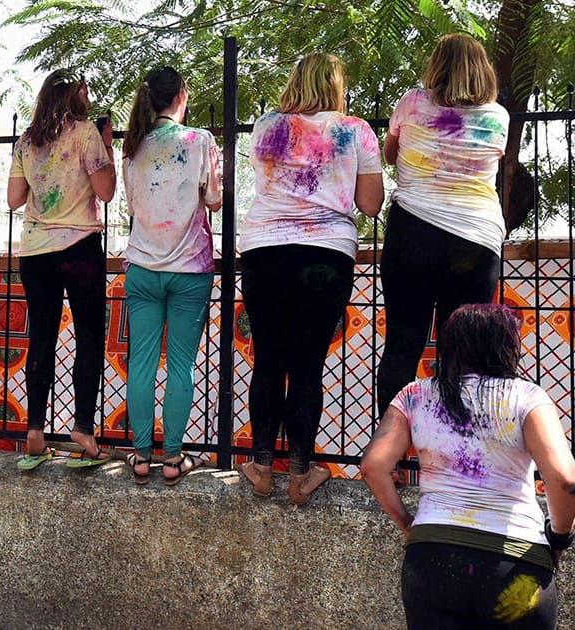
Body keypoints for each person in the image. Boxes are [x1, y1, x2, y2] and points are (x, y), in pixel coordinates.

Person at [361, 304, 575, 629]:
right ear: (506, 346)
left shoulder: (415, 395)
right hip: (515, 564)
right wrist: (559, 538)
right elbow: (563, 479)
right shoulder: (527, 397)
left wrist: (408, 523)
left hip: (430, 561)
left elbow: (373, 466)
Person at [238, 53, 384, 504]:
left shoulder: (266, 125)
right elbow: (372, 204)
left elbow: (262, 182)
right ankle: (301, 471)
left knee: (268, 357)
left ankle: (260, 465)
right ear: (336, 85)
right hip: (326, 253)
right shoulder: (355, 130)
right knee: (307, 363)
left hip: (264, 249)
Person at [375, 33, 510, 419]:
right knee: (465, 349)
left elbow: (390, 154)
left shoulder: (413, 102)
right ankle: (456, 457)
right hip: (476, 238)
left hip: (413, 230)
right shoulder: (496, 116)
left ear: (437, 65)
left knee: (402, 344)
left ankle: (393, 456)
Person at [7, 68, 116, 470]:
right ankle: (83, 430)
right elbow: (105, 192)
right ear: (76, 97)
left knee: (42, 335)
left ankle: (35, 429)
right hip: (80, 247)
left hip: (36, 250)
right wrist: (105, 149)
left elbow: (14, 198)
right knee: (88, 336)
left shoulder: (26, 141)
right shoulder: (87, 133)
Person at [120, 67, 222, 485]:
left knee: (141, 364)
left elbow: (131, 208)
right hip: (190, 270)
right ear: (181, 95)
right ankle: (173, 459)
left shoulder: (130, 147)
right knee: (181, 365)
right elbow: (214, 199)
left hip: (142, 267)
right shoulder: (200, 141)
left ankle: (141, 457)